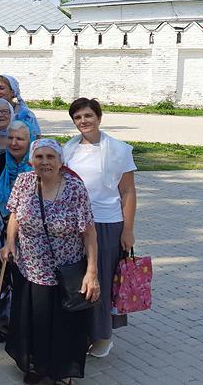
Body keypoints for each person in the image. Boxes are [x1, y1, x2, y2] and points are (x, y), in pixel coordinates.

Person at [0, 139, 100, 384]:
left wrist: (92, 272)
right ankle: (38, 365)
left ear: (60, 161)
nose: (44, 162)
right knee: (35, 321)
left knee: (63, 324)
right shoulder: (24, 182)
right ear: (32, 160)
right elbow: (14, 214)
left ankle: (62, 370)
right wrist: (9, 243)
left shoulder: (75, 188)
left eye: (50, 157)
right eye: (39, 157)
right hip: (29, 268)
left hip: (64, 270)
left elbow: (89, 232)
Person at [63, 98, 137, 359]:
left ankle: (103, 335)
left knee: (102, 280)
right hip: (75, 225)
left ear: (98, 117)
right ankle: (83, 332)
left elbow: (127, 192)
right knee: (79, 280)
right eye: (78, 118)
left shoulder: (118, 150)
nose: (83, 121)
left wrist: (127, 230)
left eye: (87, 116)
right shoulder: (69, 149)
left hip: (106, 223)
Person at [0, 120, 35, 343]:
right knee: (5, 275)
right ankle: (6, 323)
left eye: (20, 139)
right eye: (11, 138)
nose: (15, 143)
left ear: (29, 141)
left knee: (26, 277)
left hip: (30, 231)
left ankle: (26, 325)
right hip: (3, 224)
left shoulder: (37, 165)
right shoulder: (1, 162)